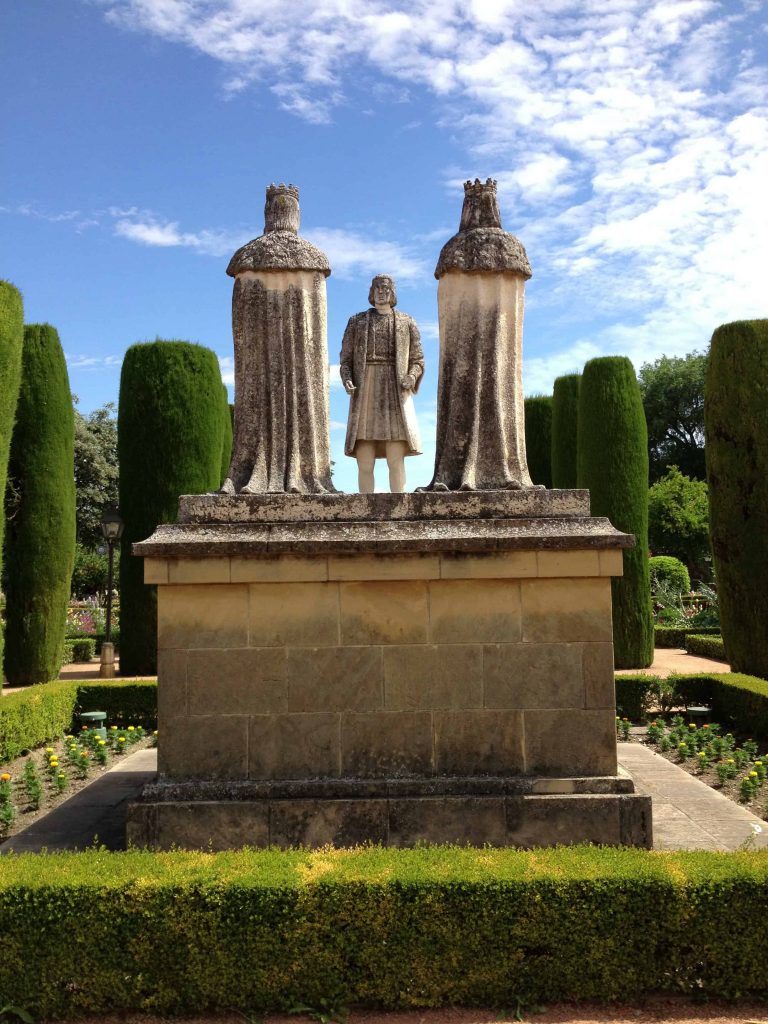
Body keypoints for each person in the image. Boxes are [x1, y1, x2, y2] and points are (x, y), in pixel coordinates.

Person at [340, 275, 424, 493]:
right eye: (377, 288)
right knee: (364, 459)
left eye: (386, 288)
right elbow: (345, 360)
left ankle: (399, 505)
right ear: (371, 292)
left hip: (395, 389)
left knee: (396, 457)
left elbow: (418, 359)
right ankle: (365, 505)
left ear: (393, 292)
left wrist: (412, 376)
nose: (381, 292)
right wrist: (347, 378)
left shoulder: (407, 321)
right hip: (365, 387)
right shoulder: (356, 322)